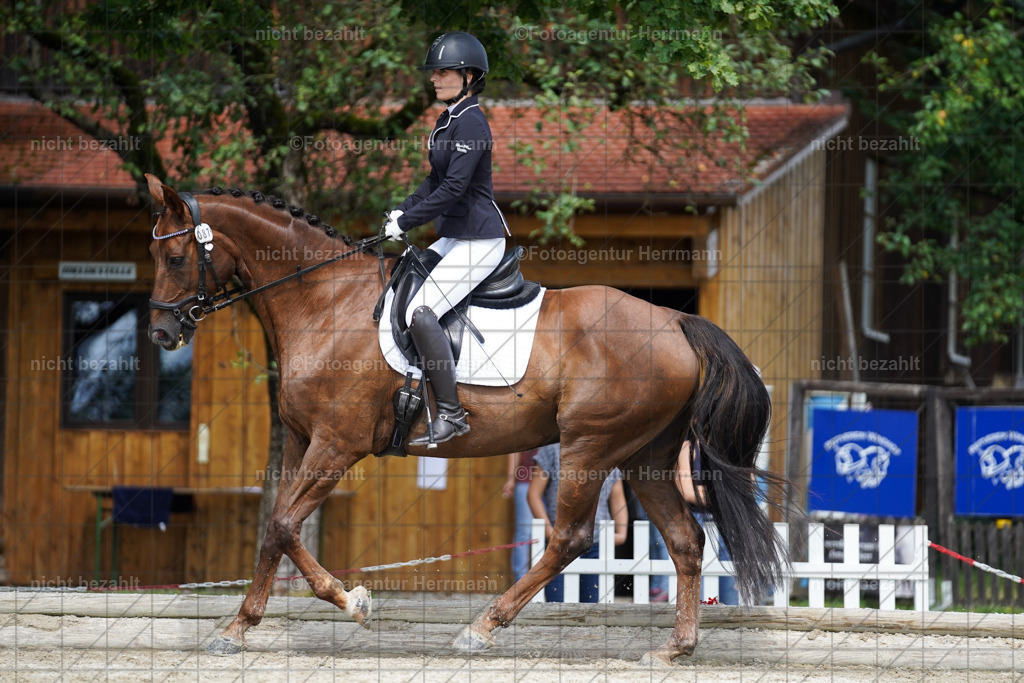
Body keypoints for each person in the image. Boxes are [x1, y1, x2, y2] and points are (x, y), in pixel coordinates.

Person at [384, 31, 509, 446]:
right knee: (400, 283)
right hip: (456, 236)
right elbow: (433, 180)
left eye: (443, 71)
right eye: (434, 72)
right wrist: (402, 209)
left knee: (421, 312)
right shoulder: (448, 119)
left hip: (479, 241)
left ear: (469, 75)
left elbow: (454, 189)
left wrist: (408, 224)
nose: (434, 78)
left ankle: (452, 415)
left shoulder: (472, 121)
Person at [527, 443, 628, 602]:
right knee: (557, 606)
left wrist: (621, 533)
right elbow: (533, 494)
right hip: (560, 545)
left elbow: (618, 499)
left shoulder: (610, 451)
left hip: (596, 545)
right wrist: (550, 532)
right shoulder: (553, 449)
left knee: (593, 608)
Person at [502, 449, 537, 582]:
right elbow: (515, 448)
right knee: (524, 533)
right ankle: (521, 583)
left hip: (554, 482)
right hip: (526, 479)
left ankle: (549, 583)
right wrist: (511, 479)